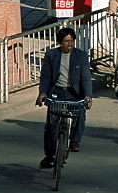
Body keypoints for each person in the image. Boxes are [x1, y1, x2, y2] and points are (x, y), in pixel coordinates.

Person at [36, 27, 92, 167]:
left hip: (74, 93)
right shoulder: (51, 55)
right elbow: (46, 76)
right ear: (60, 42)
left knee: (80, 112)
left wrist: (87, 95)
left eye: (72, 41)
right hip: (57, 92)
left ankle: (74, 140)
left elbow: (85, 77)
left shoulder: (81, 56)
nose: (70, 44)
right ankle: (50, 156)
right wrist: (43, 92)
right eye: (66, 41)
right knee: (50, 126)